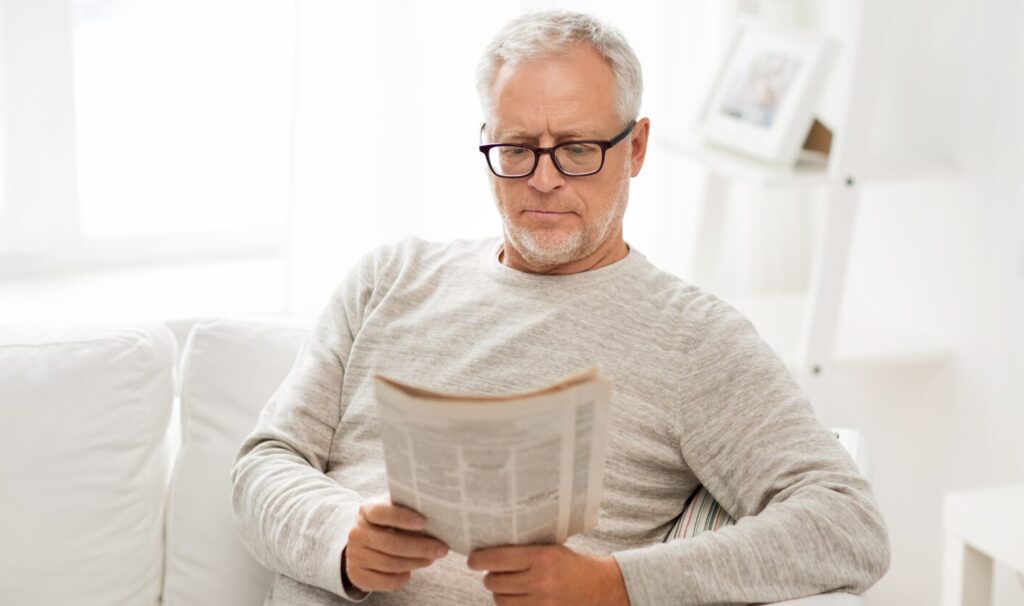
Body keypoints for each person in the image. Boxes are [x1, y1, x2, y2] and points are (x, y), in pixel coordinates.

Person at [230, 10, 890, 606]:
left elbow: (847, 525)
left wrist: (616, 585)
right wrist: (342, 537)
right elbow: (264, 462)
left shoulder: (693, 339)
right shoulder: (389, 278)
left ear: (635, 149)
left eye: (577, 150)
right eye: (516, 149)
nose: (543, 180)